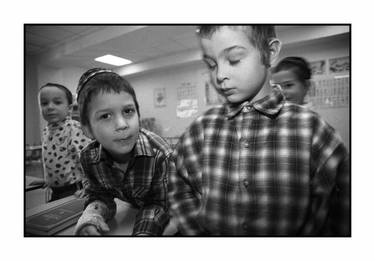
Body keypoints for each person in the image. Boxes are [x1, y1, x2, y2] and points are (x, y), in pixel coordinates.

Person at [168, 25, 350, 236]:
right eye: (211, 64)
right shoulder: (200, 129)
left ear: (270, 53)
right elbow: (180, 188)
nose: (220, 75)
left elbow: (340, 212)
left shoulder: (314, 131)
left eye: (234, 59)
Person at [73, 68, 173, 236]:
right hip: (135, 210)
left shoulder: (159, 153)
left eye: (128, 111)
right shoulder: (88, 158)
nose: (122, 124)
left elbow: (160, 205)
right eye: (105, 116)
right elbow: (99, 195)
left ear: (138, 115)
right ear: (87, 129)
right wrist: (92, 216)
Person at [37, 83, 91, 202]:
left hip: (76, 190)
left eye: (57, 102)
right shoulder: (46, 131)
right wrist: (49, 180)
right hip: (55, 190)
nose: (50, 107)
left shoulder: (74, 128)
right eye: (44, 103)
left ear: (70, 108)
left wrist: (90, 186)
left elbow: (90, 160)